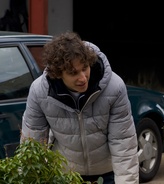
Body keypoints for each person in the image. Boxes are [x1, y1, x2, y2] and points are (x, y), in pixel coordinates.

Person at [20, 31, 139, 184]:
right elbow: (32, 144)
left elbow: (123, 143)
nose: (82, 78)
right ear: (58, 73)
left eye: (85, 68)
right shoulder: (39, 91)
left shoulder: (114, 87)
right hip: (65, 175)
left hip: (107, 174)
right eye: (73, 73)